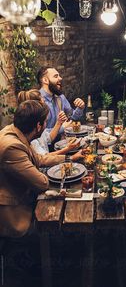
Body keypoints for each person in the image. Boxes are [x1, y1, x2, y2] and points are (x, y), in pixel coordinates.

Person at [0, 100, 84, 237]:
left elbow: (38, 158)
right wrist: (49, 171)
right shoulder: (12, 147)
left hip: (23, 196)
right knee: (59, 207)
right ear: (38, 126)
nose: (46, 126)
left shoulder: (15, 131)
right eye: (45, 122)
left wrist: (69, 158)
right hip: (14, 212)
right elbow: (42, 183)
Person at [17, 89, 80, 156]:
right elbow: (44, 158)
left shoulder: (37, 124)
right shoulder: (31, 134)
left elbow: (48, 139)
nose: (45, 104)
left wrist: (59, 122)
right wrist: (67, 149)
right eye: (43, 101)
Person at [37, 67, 85, 131]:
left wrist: (80, 107)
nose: (60, 78)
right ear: (45, 80)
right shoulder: (36, 100)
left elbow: (72, 118)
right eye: (56, 76)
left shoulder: (60, 97)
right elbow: (39, 132)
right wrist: (62, 128)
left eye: (59, 76)